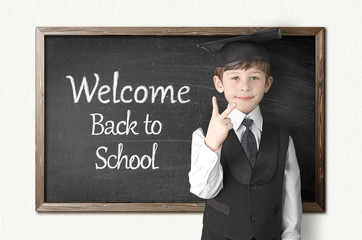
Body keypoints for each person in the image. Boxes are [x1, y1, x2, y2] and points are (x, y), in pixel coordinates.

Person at [189, 29, 302, 240]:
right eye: (234, 77)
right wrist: (212, 144)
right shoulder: (203, 135)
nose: (244, 87)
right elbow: (203, 190)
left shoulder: (283, 138)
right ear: (218, 84)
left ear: (267, 84)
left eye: (254, 77)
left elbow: (291, 200)